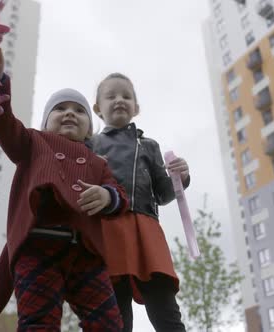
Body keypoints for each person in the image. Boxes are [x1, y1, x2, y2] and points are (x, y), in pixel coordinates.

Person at [0, 48, 127, 331]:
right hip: (37, 249)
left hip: (86, 254)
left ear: (89, 131)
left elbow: (121, 196)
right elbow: (2, 122)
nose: (69, 113)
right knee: (39, 323)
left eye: (79, 110)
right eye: (60, 109)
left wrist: (108, 196)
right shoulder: (32, 143)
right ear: (44, 123)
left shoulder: (97, 163)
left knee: (109, 324)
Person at [89, 72, 190, 332]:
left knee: (166, 311)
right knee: (114, 316)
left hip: (147, 232)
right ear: (98, 109)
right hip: (107, 232)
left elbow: (164, 194)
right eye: (111, 96)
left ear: (136, 107)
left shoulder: (149, 146)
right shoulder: (90, 145)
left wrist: (180, 177)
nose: (119, 100)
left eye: (126, 96)